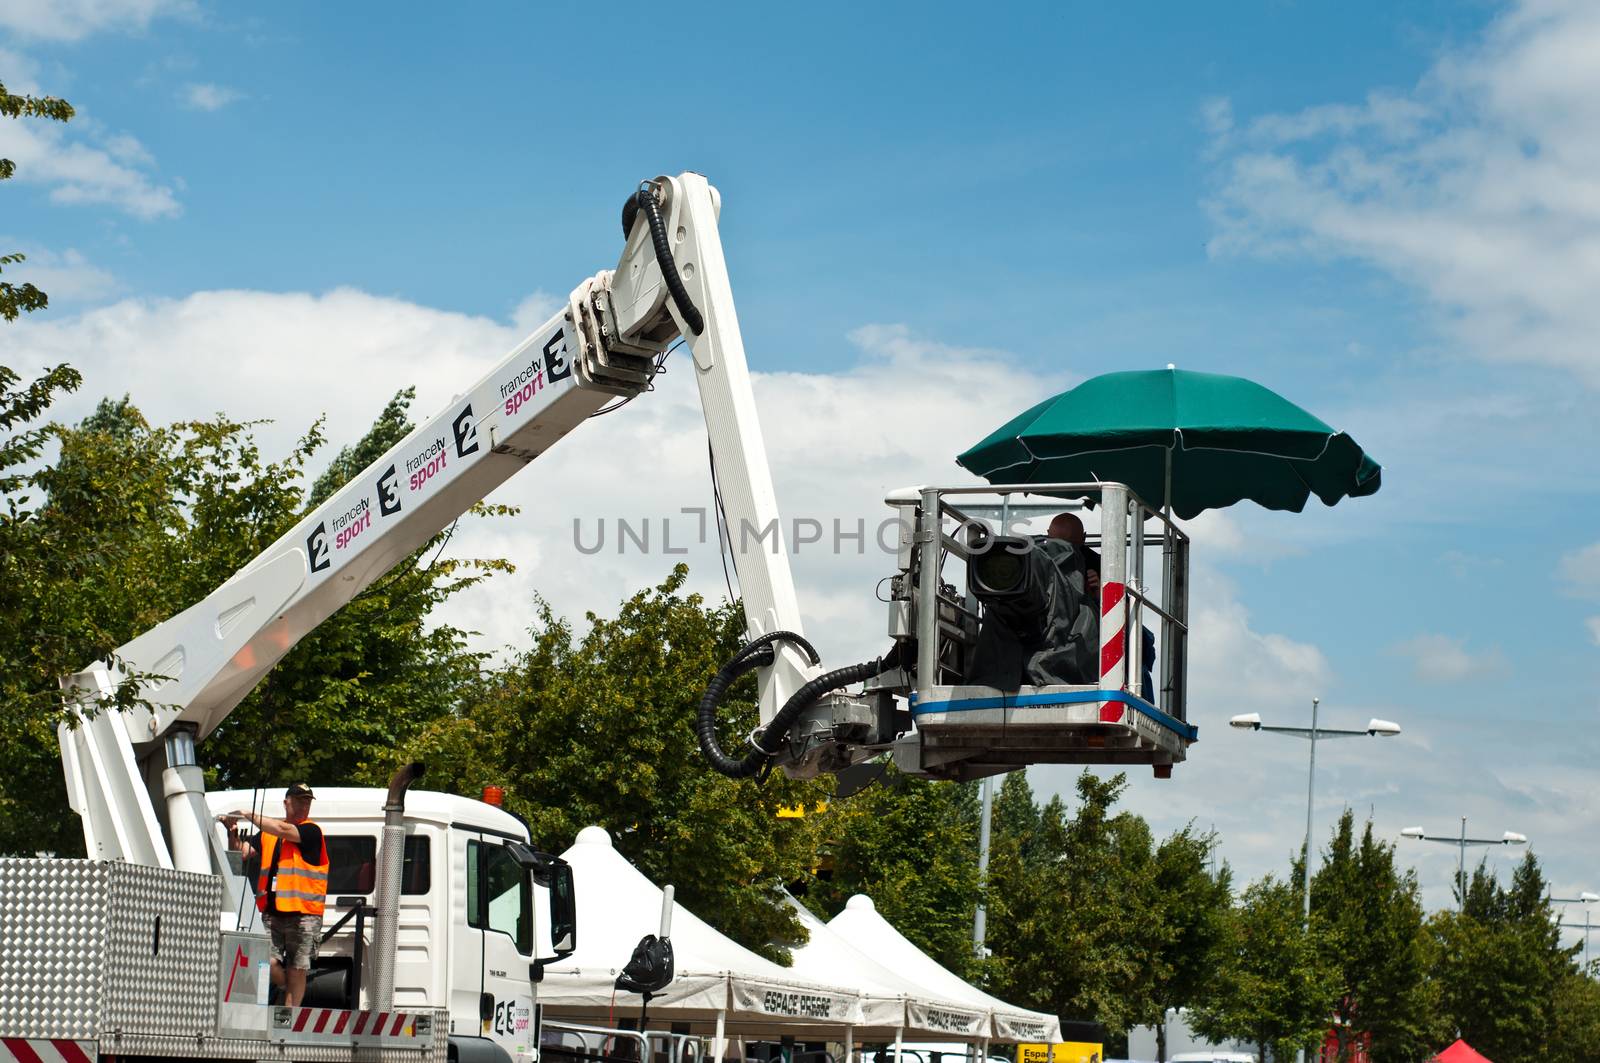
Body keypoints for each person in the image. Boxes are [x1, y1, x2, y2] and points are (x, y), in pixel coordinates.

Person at [223, 783, 328, 1007]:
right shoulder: (268, 834)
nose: (304, 806)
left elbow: (282, 830)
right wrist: (231, 833)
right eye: (299, 800)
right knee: (265, 961)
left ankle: (288, 1016)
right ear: (286, 802)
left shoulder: (311, 831)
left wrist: (247, 814)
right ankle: (284, 987)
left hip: (304, 914)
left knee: (297, 968)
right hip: (272, 912)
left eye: (307, 802)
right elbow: (243, 852)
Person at [1047, 512, 1157, 703]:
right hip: (1055, 640)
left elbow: (1130, 631)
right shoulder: (1039, 564)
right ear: (1085, 537)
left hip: (1090, 640)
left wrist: (1100, 596)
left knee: (1139, 642)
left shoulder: (1102, 567)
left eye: (1071, 547)